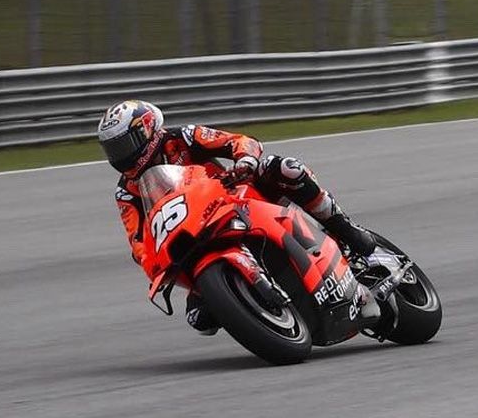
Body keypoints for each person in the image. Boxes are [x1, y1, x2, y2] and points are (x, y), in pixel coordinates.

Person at [98, 99, 377, 335]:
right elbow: (138, 243)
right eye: (113, 150)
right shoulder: (126, 193)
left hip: (237, 198)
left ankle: (345, 230)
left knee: (285, 168)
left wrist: (245, 161)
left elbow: (238, 141)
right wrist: (155, 264)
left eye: (124, 145)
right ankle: (251, 304)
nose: (119, 156)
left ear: (147, 131)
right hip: (195, 237)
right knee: (201, 321)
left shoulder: (183, 137)